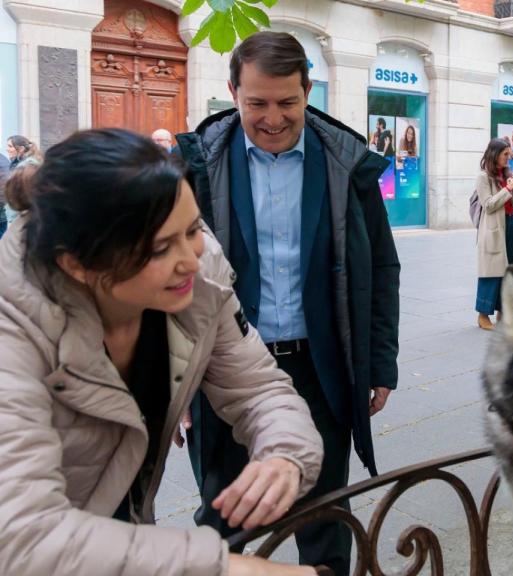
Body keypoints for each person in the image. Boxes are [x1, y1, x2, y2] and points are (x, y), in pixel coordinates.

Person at [0, 128, 324, 576]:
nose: (191, 258)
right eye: (158, 248)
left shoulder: (200, 276)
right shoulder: (13, 328)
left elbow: (260, 389)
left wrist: (285, 453)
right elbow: (22, 539)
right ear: (78, 264)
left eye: (192, 228)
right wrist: (222, 567)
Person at [176, 32, 401, 575]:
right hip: (221, 369)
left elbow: (384, 267)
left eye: (287, 102)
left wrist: (379, 362)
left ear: (307, 92)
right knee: (225, 513)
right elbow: (167, 276)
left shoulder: (348, 167)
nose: (272, 118)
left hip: (320, 368)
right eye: (257, 103)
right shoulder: (196, 168)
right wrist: (175, 376)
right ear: (233, 92)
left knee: (324, 514)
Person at [475, 137, 513, 331]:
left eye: (509, 153)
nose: (508, 157)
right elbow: (488, 205)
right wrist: (507, 190)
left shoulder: (507, 174)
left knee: (509, 269)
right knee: (491, 273)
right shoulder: (483, 177)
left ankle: (504, 312)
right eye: (505, 154)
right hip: (493, 228)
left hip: (509, 225)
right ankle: (483, 315)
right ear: (495, 154)